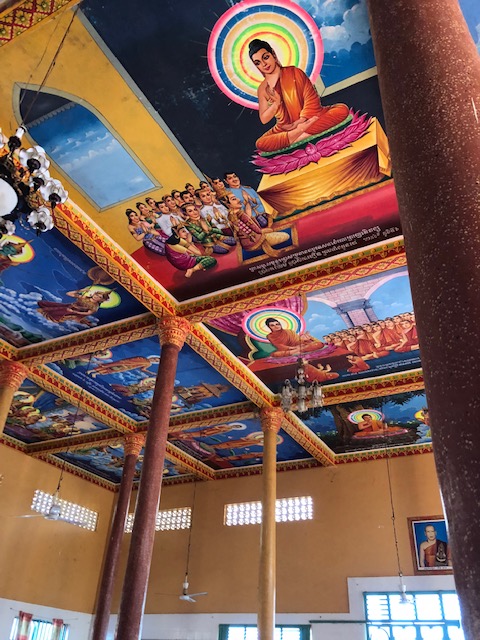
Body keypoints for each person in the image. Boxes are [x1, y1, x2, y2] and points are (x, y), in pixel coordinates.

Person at [249, 38, 349, 153]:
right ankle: (301, 134)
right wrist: (276, 104)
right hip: (284, 128)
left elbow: (311, 99)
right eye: (258, 63)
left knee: (341, 110)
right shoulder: (262, 89)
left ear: (273, 55)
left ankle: (295, 137)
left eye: (266, 57)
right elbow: (264, 118)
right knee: (261, 143)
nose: (264, 64)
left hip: (309, 119)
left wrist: (301, 121)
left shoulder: (295, 72)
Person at [226, 192, 288, 258]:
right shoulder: (241, 215)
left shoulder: (230, 215)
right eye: (234, 199)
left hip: (245, 242)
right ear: (228, 205)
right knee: (285, 236)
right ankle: (273, 253)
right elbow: (253, 227)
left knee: (269, 230)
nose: (238, 200)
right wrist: (261, 232)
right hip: (253, 240)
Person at [37, 288, 111, 326]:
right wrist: (82, 290)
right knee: (43, 303)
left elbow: (87, 313)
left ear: (101, 300)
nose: (96, 297)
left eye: (99, 297)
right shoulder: (85, 297)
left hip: (74, 313)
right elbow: (69, 294)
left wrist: (74, 311)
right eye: (96, 295)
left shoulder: (95, 306)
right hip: (69, 306)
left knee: (54, 312)